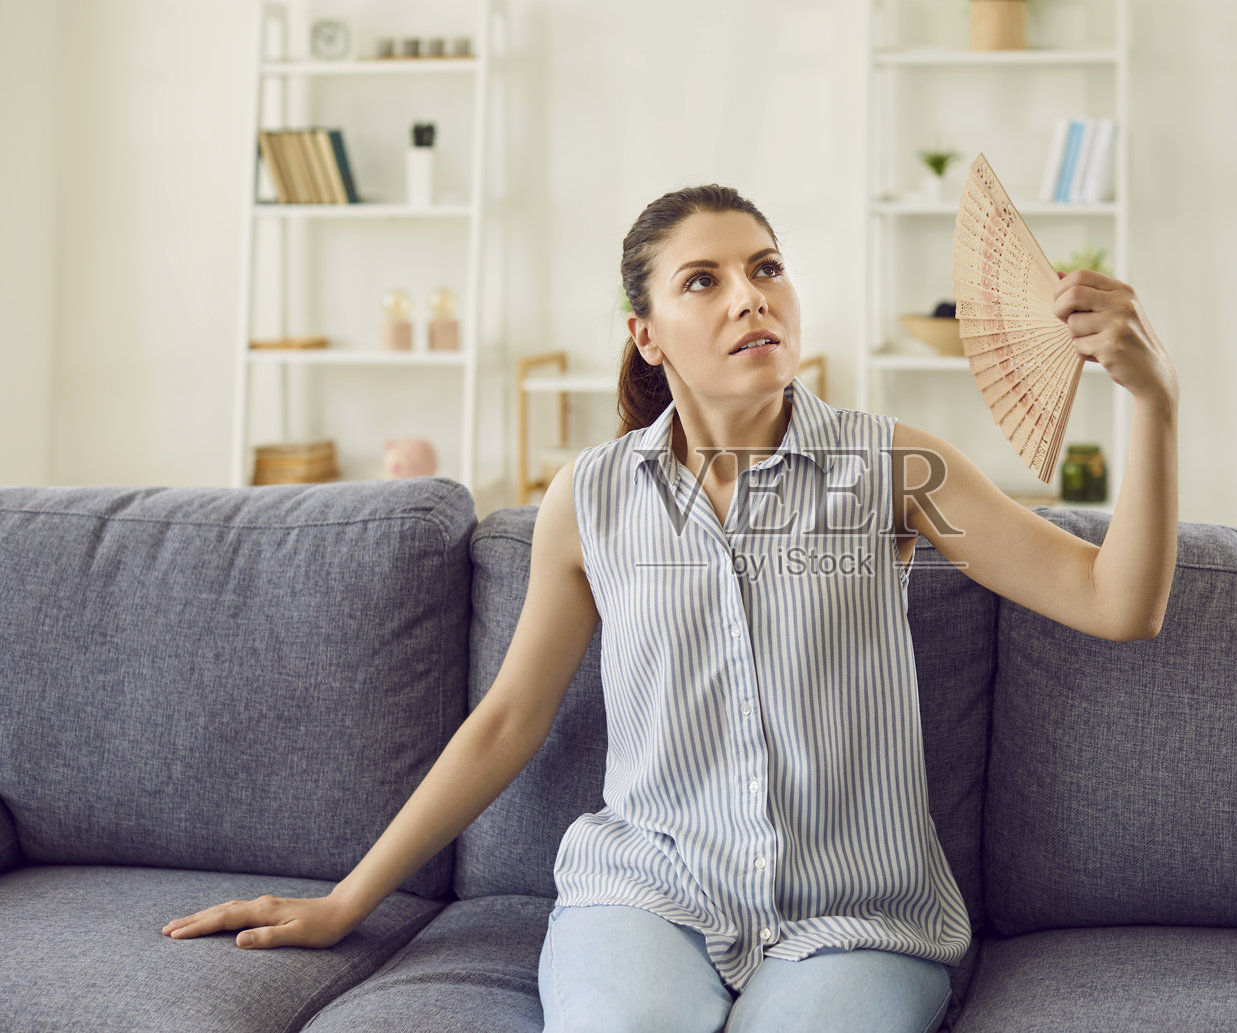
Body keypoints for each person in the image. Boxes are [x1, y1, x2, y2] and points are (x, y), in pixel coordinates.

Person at [161, 184, 1179, 1032]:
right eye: (705, 279)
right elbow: (508, 720)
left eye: (766, 268)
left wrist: (1152, 400)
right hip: (649, 894)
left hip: (857, 913)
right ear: (645, 335)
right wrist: (347, 901)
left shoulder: (892, 466)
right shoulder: (591, 495)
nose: (750, 296)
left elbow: (1116, 601)